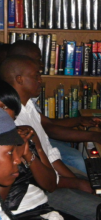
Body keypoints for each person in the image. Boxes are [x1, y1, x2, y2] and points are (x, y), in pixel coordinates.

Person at [0, 55, 101, 220]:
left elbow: (49, 131)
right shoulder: (12, 130)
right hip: (40, 193)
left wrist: (75, 181)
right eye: (36, 75)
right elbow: (46, 184)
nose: (41, 80)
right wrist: (76, 183)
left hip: (49, 180)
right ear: (20, 79)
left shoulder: (27, 109)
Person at [6, 40, 101, 174]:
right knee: (78, 159)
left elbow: (46, 123)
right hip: (39, 166)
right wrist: (96, 136)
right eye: (38, 60)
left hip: (45, 152)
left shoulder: (26, 102)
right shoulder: (10, 106)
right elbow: (50, 129)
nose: (42, 64)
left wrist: (79, 121)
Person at [0, 80, 78, 219]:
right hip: (18, 213)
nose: (7, 115)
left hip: (41, 205)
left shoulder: (24, 134)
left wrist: (28, 153)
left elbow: (50, 184)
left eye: (8, 108)